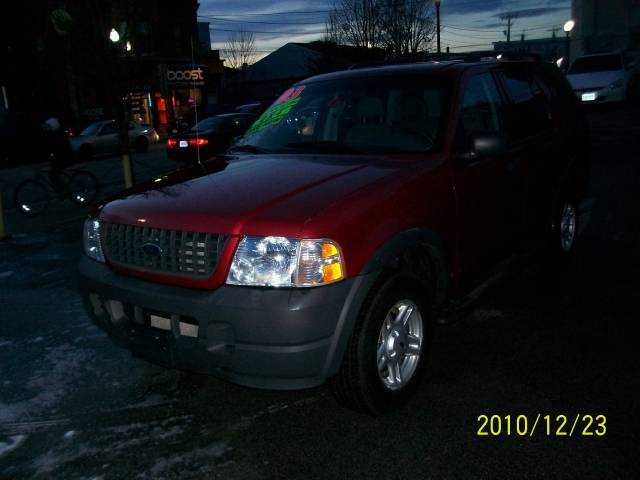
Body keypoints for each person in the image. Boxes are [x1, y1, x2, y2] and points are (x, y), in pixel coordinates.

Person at [42, 116, 75, 191]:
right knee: (53, 172)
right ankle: (60, 188)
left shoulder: (58, 135)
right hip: (62, 157)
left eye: (49, 126)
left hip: (67, 158)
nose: (47, 128)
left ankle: (63, 189)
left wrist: (50, 154)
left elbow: (56, 147)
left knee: (53, 173)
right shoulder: (55, 133)